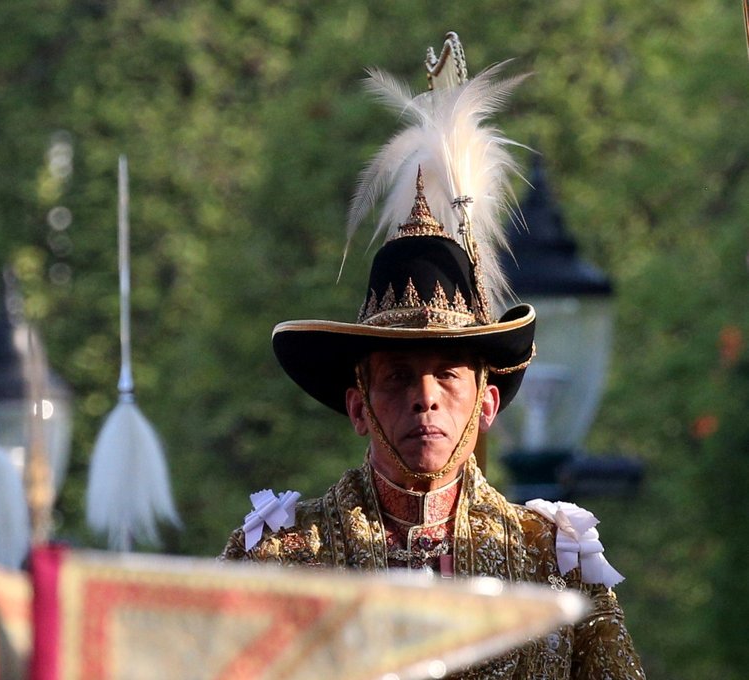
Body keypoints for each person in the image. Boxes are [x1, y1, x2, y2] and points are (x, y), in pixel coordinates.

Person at [220, 43, 645, 679]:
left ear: (488, 402)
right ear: (357, 405)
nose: (426, 397)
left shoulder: (557, 563)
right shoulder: (280, 561)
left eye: (447, 375)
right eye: (397, 378)